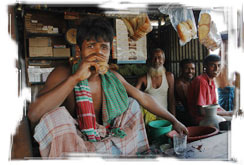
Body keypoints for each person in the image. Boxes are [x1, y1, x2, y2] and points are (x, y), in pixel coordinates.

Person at [27, 16, 188, 157]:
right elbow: (34, 114)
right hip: (78, 144)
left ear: (110, 52)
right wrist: (75, 78)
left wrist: (174, 120)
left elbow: (143, 97)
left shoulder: (113, 77)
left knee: (133, 105)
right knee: (55, 117)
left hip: (108, 138)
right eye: (91, 46)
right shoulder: (64, 73)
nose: (98, 53)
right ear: (78, 51)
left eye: (104, 47)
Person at [187, 54, 233, 126]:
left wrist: (228, 113)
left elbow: (215, 105)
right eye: (212, 65)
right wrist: (227, 113)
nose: (216, 69)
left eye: (218, 65)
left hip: (210, 116)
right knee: (233, 122)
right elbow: (201, 112)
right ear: (205, 66)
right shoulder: (201, 81)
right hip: (201, 119)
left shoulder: (211, 80)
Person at [135, 48, 176, 125]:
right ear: (149, 60)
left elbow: (171, 99)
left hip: (165, 116)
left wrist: (174, 120)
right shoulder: (143, 79)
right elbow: (133, 96)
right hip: (148, 119)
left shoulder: (169, 76)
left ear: (163, 60)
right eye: (154, 58)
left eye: (159, 57)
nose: (156, 60)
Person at [215, 33, 235, 111]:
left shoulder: (230, 59)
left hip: (231, 92)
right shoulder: (219, 61)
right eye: (225, 43)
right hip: (224, 93)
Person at [175, 59, 195, 126]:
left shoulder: (191, 81)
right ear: (181, 69)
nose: (190, 71)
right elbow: (186, 104)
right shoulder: (179, 84)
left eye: (192, 68)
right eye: (187, 68)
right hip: (183, 116)